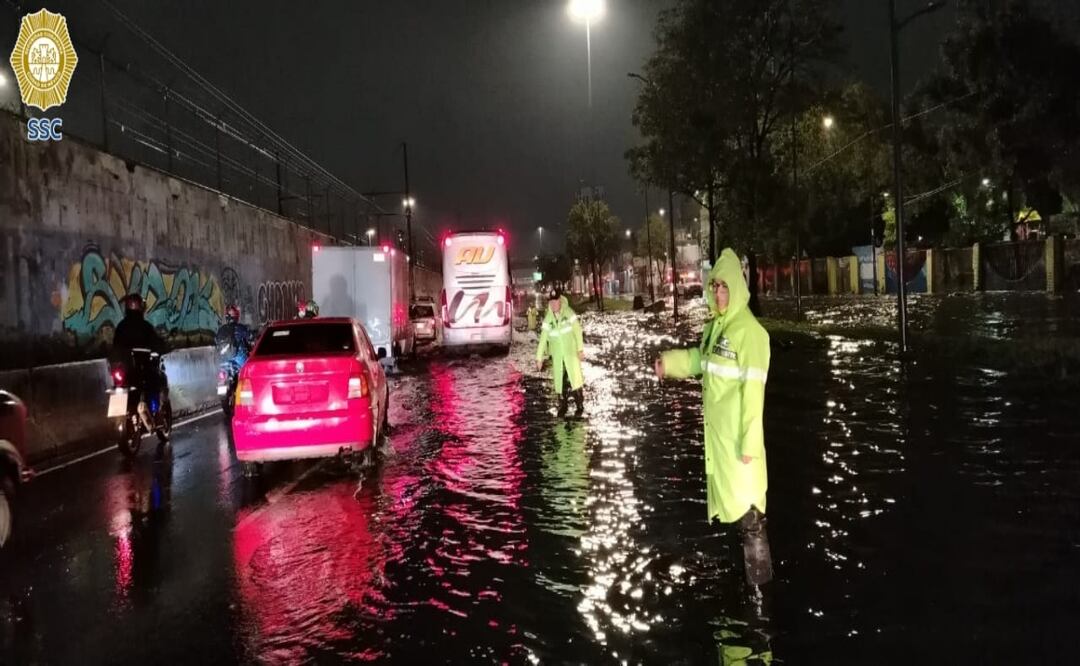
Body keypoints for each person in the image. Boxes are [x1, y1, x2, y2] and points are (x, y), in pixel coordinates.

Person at [653, 248, 774, 586]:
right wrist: (669, 362)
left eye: (726, 288)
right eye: (715, 287)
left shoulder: (749, 333)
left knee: (751, 520)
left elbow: (754, 395)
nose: (719, 294)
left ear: (738, 288)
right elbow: (699, 361)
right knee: (739, 518)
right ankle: (750, 588)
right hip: (722, 444)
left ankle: (760, 604)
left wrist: (749, 443)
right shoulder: (716, 329)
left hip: (740, 447)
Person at [535, 287, 585, 417]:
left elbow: (578, 331)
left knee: (574, 379)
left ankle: (579, 404)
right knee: (560, 381)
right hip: (558, 358)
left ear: (560, 301)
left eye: (556, 302)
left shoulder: (569, 313)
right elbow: (542, 340)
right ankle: (562, 405)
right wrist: (539, 358)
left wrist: (580, 350)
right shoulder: (548, 320)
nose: (554, 305)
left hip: (571, 355)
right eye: (551, 302)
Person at [214, 305, 253, 371]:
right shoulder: (240, 328)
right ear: (236, 317)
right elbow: (249, 336)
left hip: (223, 359)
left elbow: (216, 340)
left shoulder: (221, 329)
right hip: (238, 358)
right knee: (248, 370)